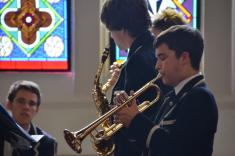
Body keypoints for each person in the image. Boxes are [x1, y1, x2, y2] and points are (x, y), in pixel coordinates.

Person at [114, 25, 218, 156]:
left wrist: (135, 120)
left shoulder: (200, 97)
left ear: (184, 58)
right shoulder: (173, 95)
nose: (157, 66)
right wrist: (126, 118)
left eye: (162, 58)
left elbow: (176, 149)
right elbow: (152, 143)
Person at [100, 0, 170, 155]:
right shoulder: (152, 49)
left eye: (110, 30)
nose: (111, 36)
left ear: (122, 28)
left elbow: (129, 119)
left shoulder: (137, 60)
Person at [1, 80, 57, 156]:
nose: (26, 107)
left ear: (37, 109)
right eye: (21, 101)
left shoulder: (47, 143)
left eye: (32, 103)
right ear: (9, 104)